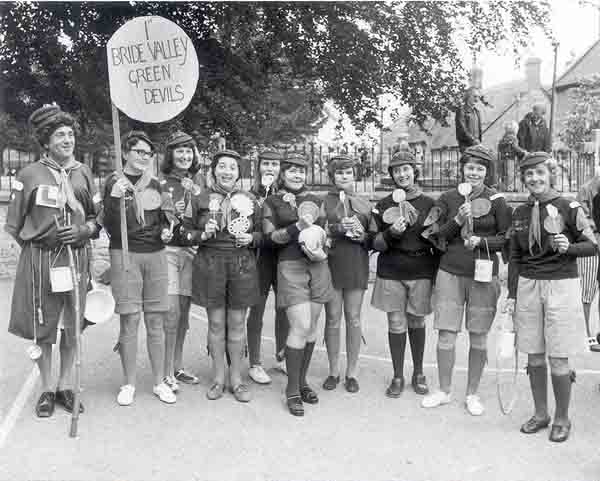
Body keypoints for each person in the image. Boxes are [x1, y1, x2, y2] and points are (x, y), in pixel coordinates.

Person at [6, 103, 100, 417]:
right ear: (46, 141)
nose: (67, 139)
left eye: (70, 134)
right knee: (43, 328)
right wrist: (41, 247)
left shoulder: (84, 172)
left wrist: (83, 231)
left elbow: (97, 220)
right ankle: (46, 389)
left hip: (77, 259)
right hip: (42, 261)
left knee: (73, 327)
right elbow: (15, 226)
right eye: (59, 134)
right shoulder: (29, 174)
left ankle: (64, 387)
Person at [504, 151, 597, 442]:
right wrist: (511, 293)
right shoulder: (519, 212)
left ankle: (561, 418)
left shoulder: (569, 206)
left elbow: (592, 245)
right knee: (533, 355)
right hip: (528, 285)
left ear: (550, 174)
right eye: (529, 174)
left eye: (540, 173)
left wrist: (568, 246)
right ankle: (541, 412)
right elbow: (515, 256)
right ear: (523, 179)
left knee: (558, 356)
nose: (534, 178)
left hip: (561, 285)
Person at [422, 145, 512, 415]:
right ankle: (444, 390)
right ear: (463, 169)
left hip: (484, 275)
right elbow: (434, 235)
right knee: (446, 335)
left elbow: (507, 239)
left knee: (479, 337)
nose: (474, 172)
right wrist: (457, 221)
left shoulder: (498, 200)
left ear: (487, 172)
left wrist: (483, 240)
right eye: (470, 167)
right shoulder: (448, 198)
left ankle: (472, 394)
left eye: (480, 168)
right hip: (450, 271)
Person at [102, 130, 177, 406]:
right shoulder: (113, 182)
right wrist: (113, 197)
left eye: (148, 153)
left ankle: (158, 382)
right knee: (130, 320)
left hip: (155, 255)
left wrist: (167, 232)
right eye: (138, 152)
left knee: (156, 320)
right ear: (126, 153)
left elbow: (165, 220)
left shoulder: (156, 184)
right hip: (125, 254)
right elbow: (108, 225)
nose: (144, 157)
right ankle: (129, 383)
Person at [184, 149, 261, 403]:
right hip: (211, 263)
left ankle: (236, 379)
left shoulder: (250, 200)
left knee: (238, 324)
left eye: (232, 167)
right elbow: (183, 232)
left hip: (241, 264)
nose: (227, 171)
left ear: (239, 173)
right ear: (213, 170)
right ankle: (218, 378)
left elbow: (264, 235)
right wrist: (201, 234)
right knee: (216, 323)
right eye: (222, 166)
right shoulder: (199, 198)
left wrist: (252, 238)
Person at [262, 152, 333, 416]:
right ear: (282, 173)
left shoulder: (316, 200)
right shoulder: (272, 201)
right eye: (291, 170)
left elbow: (326, 233)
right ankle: (292, 388)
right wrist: (297, 227)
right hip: (290, 266)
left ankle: (302, 381)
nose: (296, 175)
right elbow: (270, 238)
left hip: (318, 265)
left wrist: (324, 248)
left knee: (312, 327)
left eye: (301, 170)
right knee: (300, 325)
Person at [370, 148, 440, 397]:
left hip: (421, 268)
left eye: (406, 169)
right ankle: (398, 375)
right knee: (395, 321)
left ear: (415, 171)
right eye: (397, 170)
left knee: (417, 320)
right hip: (391, 269)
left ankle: (418, 372)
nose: (402, 174)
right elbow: (373, 242)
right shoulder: (383, 204)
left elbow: (438, 241)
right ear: (392, 175)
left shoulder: (430, 203)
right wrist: (391, 234)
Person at [322, 154, 372, 393]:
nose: (344, 176)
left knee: (353, 318)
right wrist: (337, 228)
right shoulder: (324, 201)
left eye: (349, 172)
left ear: (355, 175)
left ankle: (351, 372)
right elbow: (318, 231)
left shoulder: (364, 202)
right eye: (339, 172)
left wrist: (362, 234)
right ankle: (333, 370)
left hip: (355, 262)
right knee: (332, 318)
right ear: (332, 176)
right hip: (331, 263)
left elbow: (372, 237)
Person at [159, 131, 205, 391]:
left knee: (184, 315)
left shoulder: (198, 183)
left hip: (192, 252)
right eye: (180, 151)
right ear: (171, 155)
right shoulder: (159, 183)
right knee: (171, 313)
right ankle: (165, 370)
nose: (186, 155)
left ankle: (176, 366)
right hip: (168, 252)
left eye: (189, 151)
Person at [246, 148, 289, 384]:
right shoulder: (249, 195)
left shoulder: (286, 195)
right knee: (258, 309)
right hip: (259, 257)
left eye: (274, 164)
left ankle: (281, 356)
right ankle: (254, 362)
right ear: (258, 167)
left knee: (284, 308)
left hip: (282, 257)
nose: (270, 168)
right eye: (266, 164)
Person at [575, 175, 600, 352]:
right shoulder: (587, 189)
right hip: (592, 247)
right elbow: (585, 221)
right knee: (587, 292)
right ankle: (587, 334)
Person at [497, 121, 527, 192]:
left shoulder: (504, 138)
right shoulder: (513, 138)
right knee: (510, 174)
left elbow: (500, 147)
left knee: (504, 173)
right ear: (515, 130)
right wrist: (523, 152)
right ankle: (508, 187)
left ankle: (506, 187)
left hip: (503, 158)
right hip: (510, 158)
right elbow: (515, 147)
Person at [455, 87, 482, 153]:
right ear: (468, 97)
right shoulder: (461, 111)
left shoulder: (477, 112)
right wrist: (473, 140)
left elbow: (479, 131)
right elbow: (462, 130)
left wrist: (479, 142)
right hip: (466, 148)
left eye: (478, 97)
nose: (477, 99)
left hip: (477, 147)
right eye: (475, 96)